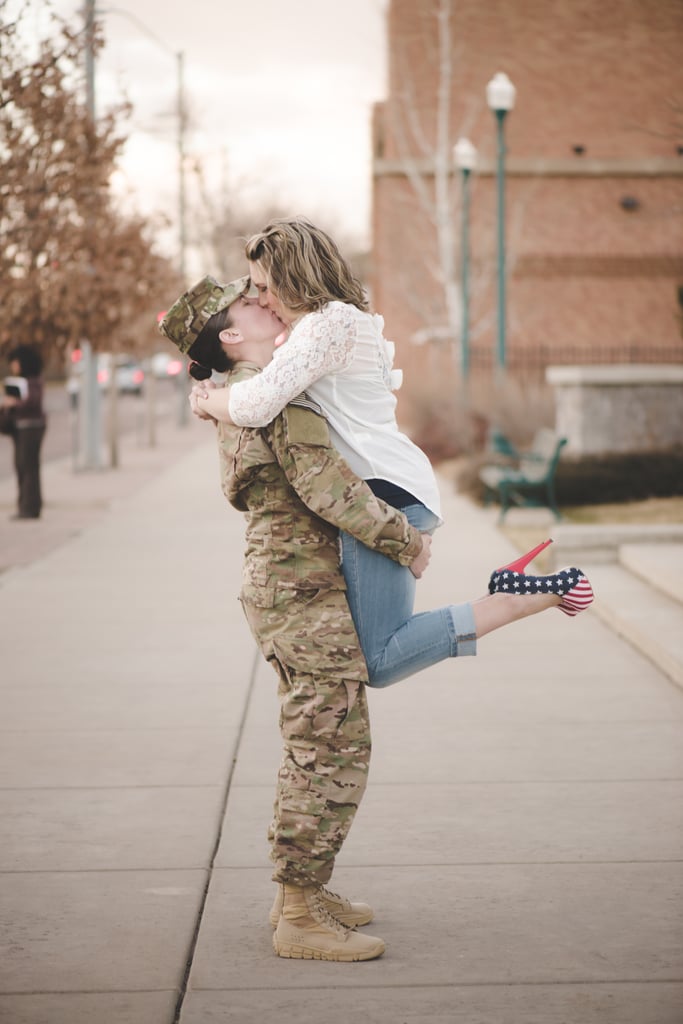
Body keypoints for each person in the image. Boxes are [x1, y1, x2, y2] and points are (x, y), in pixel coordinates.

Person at [160, 274, 593, 962]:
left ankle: (298, 891)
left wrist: (215, 399)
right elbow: (327, 488)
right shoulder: (271, 401)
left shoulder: (246, 397)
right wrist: (406, 541)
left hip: (290, 591)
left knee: (317, 742)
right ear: (232, 336)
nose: (267, 302)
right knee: (328, 753)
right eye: (251, 302)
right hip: (300, 596)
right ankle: (299, 912)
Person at [189, 218, 592, 687]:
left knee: (378, 659)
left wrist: (207, 400)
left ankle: (523, 597)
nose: (260, 298)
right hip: (393, 487)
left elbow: (257, 403)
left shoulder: (328, 325)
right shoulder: (330, 324)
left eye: (263, 286)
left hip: (388, 493)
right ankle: (510, 593)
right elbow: (267, 386)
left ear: (292, 274)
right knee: (376, 651)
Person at [0, 344, 47, 519]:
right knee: (21, 466)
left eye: (14, 362)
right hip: (19, 428)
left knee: (29, 468)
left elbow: (33, 402)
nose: (13, 366)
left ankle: (30, 507)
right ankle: (24, 505)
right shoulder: (20, 381)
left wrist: (14, 403)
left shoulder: (33, 382)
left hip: (32, 427)